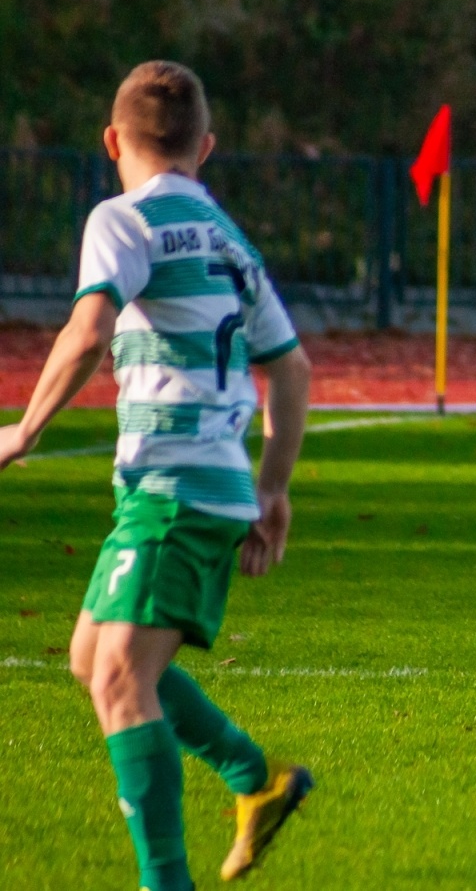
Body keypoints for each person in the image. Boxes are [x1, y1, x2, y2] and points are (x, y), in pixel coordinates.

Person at [0, 62, 315, 887]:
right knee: (88, 656)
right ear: (205, 147)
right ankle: (258, 779)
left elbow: (88, 329)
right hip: (194, 489)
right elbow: (291, 370)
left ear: (112, 142)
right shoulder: (229, 239)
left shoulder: (121, 219)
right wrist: (273, 489)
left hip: (174, 492)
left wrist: (24, 429)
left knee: (118, 676)